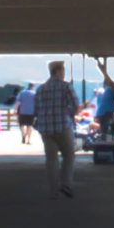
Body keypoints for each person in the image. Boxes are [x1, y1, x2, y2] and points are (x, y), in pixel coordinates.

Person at [32, 60, 79, 198]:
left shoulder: (41, 89)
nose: (64, 73)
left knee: (51, 159)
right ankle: (66, 183)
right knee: (69, 154)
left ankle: (53, 190)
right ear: (58, 71)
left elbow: (36, 109)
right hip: (62, 126)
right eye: (63, 70)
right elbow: (76, 104)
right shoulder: (66, 87)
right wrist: (70, 114)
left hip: (46, 129)